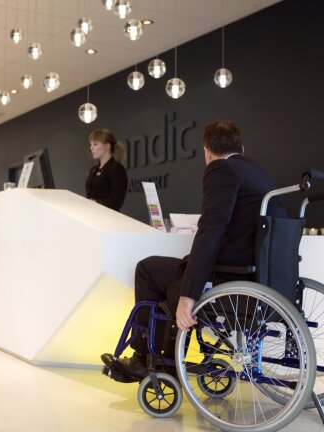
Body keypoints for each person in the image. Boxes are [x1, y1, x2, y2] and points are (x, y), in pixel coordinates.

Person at [102, 120, 286, 378]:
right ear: (241, 148)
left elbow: (210, 231)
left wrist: (189, 295)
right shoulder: (257, 173)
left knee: (148, 269)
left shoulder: (220, 169)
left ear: (207, 151)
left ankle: (146, 357)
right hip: (257, 275)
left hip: (230, 276)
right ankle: (161, 359)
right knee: (171, 278)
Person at [85, 129, 128, 211]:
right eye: (90, 145)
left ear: (107, 146)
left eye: (95, 144)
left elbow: (117, 201)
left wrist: (96, 202)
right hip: (91, 215)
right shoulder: (93, 169)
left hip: (108, 218)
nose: (91, 148)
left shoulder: (116, 169)